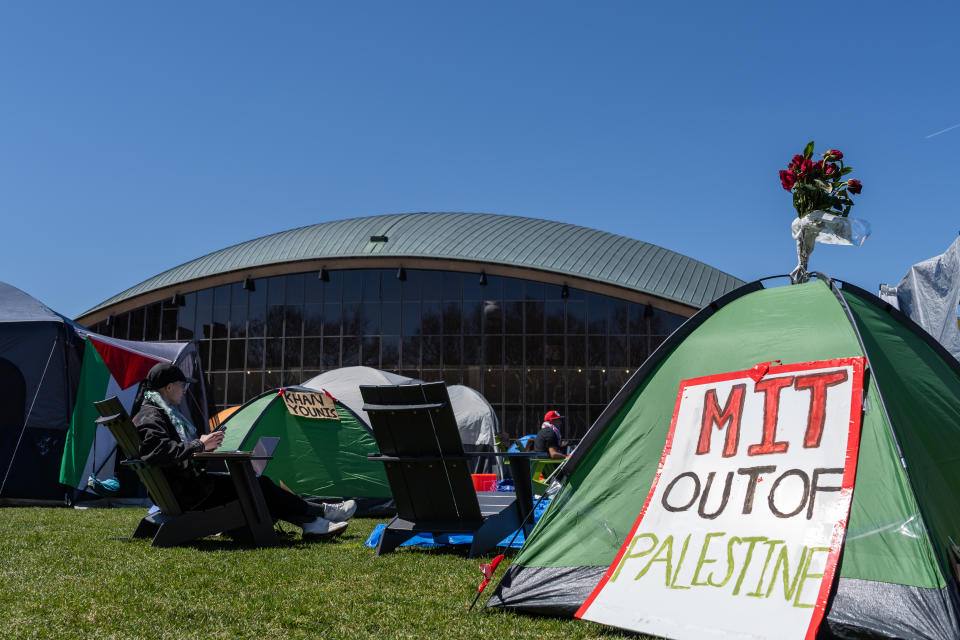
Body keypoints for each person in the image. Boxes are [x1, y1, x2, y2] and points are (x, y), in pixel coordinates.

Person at [133, 363, 355, 540]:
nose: (184, 391)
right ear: (168, 387)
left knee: (257, 483)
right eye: (182, 386)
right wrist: (200, 445)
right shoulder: (152, 416)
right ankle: (320, 513)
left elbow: (163, 449)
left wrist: (201, 444)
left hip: (183, 488)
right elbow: (158, 451)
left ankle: (313, 522)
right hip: (190, 493)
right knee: (256, 485)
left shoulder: (154, 413)